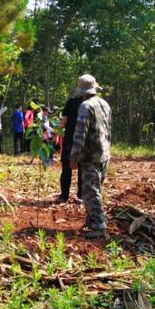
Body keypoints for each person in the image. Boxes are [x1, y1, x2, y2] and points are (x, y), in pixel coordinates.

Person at [69, 74, 112, 240]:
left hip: (90, 156)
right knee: (96, 189)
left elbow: (80, 134)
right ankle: (91, 220)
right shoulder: (104, 104)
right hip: (104, 154)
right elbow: (109, 131)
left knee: (90, 191)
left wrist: (74, 157)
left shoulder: (85, 107)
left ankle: (99, 226)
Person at [57, 94, 83, 203]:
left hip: (77, 140)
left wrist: (56, 135)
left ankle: (73, 195)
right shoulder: (74, 102)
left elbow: (64, 120)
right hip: (76, 140)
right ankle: (70, 195)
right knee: (73, 168)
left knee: (75, 168)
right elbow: (64, 119)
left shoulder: (74, 101)